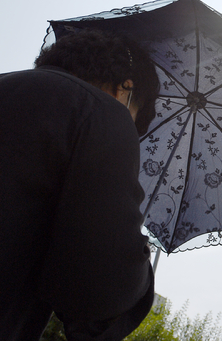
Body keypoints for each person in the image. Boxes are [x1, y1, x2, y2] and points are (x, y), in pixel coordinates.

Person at [0, 30, 160, 340]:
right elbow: (99, 290)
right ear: (125, 88)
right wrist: (138, 261)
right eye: (133, 115)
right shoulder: (102, 112)